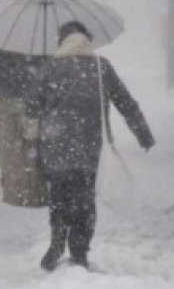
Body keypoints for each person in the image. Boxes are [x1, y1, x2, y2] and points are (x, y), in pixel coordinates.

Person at [27, 20, 155, 271]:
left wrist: (32, 144)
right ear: (87, 39)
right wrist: (143, 134)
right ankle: (79, 252)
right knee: (84, 200)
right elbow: (125, 103)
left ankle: (57, 240)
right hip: (89, 148)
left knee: (59, 196)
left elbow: (31, 108)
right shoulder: (100, 66)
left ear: (61, 41)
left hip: (55, 146)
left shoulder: (50, 68)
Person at [0, 43, 48, 207]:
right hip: (25, 95)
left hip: (14, 95)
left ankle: (20, 191)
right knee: (28, 144)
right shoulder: (41, 31)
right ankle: (29, 191)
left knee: (13, 144)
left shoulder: (6, 30)